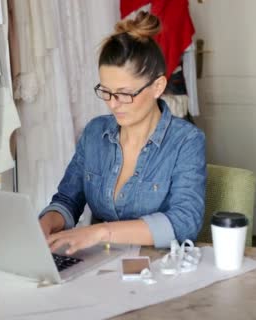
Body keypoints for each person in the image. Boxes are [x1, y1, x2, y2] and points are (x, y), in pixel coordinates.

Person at [39, 11, 206, 255]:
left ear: (158, 86)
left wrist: (100, 232)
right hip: (99, 268)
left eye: (125, 94)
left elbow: (184, 224)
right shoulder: (95, 133)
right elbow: (67, 201)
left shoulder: (186, 141)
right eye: (105, 91)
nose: (113, 104)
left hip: (160, 272)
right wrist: (45, 224)